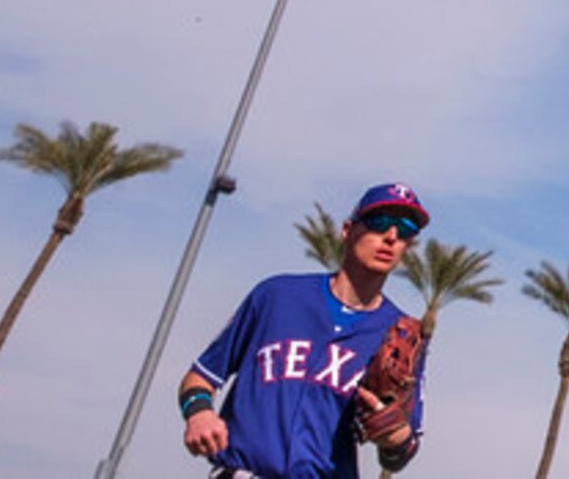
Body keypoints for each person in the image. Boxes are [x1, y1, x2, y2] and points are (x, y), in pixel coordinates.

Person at [180, 182, 429, 477]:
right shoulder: (276, 296)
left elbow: (401, 454)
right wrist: (199, 413)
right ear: (347, 230)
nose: (390, 236)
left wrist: (394, 438)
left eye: (405, 230)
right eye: (380, 222)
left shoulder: (399, 334)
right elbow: (200, 378)